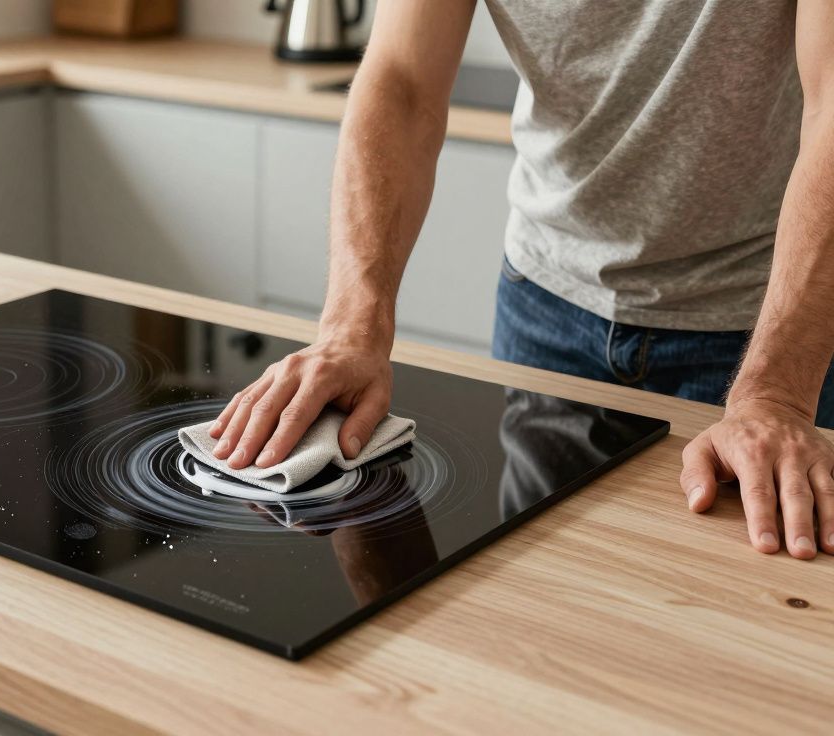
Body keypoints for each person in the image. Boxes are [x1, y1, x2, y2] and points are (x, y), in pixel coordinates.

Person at [208, 0, 834, 559]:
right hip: (546, 311)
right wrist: (351, 329)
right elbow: (403, 81)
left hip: (766, 331)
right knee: (536, 587)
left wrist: (776, 396)